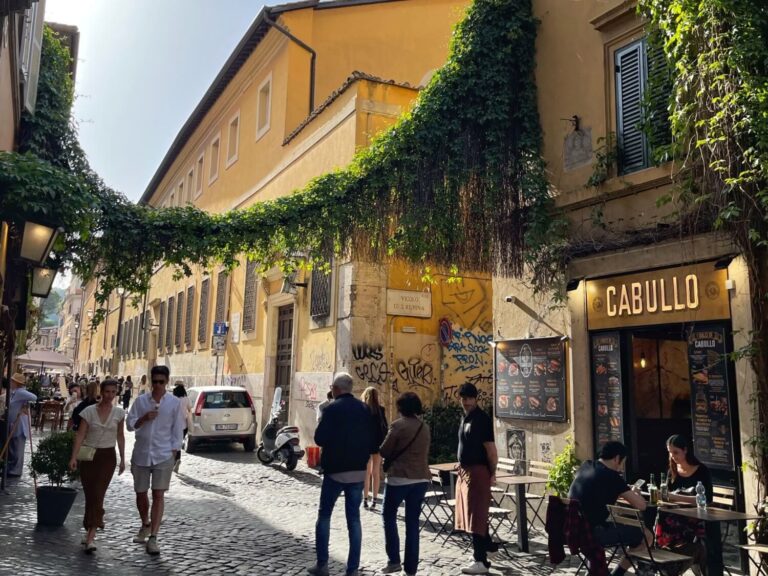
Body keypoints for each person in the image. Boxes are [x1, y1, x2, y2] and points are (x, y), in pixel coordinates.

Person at [308, 372, 371, 576]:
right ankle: (352, 569)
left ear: (336, 389)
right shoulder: (364, 408)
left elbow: (319, 438)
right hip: (359, 472)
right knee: (354, 520)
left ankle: (322, 564)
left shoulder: (332, 409)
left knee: (324, 515)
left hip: (335, 472)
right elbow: (372, 439)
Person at [126, 365, 185, 555]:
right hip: (142, 454)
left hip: (163, 454)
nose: (158, 385)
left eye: (162, 382)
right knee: (140, 493)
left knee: (159, 495)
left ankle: (153, 537)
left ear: (167, 382)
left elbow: (178, 429)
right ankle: (145, 523)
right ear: (151, 381)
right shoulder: (141, 401)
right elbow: (129, 425)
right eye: (155, 382)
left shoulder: (174, 403)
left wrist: (174, 452)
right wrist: (143, 418)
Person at [568, 441, 651, 576]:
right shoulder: (612, 476)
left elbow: (594, 491)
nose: (622, 467)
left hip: (573, 528)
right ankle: (618, 573)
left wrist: (621, 490)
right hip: (592, 533)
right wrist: (634, 492)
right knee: (647, 536)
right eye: (623, 462)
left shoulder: (586, 465)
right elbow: (641, 505)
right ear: (617, 458)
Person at [68, 378, 126, 553]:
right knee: (90, 494)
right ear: (101, 392)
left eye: (113, 392)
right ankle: (89, 529)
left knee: (99, 494)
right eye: (107, 392)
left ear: (116, 394)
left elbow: (120, 436)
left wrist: (123, 459)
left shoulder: (119, 413)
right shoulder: (89, 411)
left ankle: (91, 535)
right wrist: (74, 457)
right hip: (89, 456)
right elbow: (80, 435)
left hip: (107, 457)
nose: (110, 396)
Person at [379, 392, 431, 576]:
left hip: (400, 478)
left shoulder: (398, 426)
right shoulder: (424, 427)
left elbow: (384, 451)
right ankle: (411, 568)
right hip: (421, 478)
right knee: (412, 523)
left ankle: (394, 560)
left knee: (388, 516)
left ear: (401, 408)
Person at [454, 383, 498, 575]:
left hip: (478, 471)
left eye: (470, 398)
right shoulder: (465, 417)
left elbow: (491, 450)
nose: (466, 402)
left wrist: (492, 472)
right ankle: (488, 547)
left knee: (476, 517)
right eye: (463, 398)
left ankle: (480, 560)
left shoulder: (482, 419)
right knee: (472, 514)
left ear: (476, 399)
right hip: (465, 471)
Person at [655, 434, 716, 574]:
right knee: (661, 513)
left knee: (668, 519)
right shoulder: (673, 471)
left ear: (685, 450)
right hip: (676, 514)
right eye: (670, 452)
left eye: (676, 452)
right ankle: (664, 554)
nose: (672, 456)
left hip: (695, 516)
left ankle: (672, 562)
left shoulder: (701, 471)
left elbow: (707, 500)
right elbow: (667, 496)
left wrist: (674, 497)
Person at [6, 373, 37, 477]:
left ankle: (16, 470)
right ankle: (12, 468)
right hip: (13, 422)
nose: (10, 382)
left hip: (19, 423)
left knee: (18, 447)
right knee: (13, 447)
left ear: (16, 383)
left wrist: (25, 404)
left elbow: (34, 397)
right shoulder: (13, 392)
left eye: (12, 381)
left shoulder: (20, 392)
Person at [361, 386, 388, 510]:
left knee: (366, 473)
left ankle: (365, 499)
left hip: (365, 445)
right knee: (375, 472)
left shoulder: (363, 409)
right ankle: (375, 500)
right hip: (378, 444)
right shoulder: (381, 410)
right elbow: (385, 428)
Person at [171, 381, 189, 473]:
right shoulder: (186, 399)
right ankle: (177, 460)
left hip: (174, 424)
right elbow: (190, 409)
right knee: (178, 442)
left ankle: (175, 460)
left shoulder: (173, 399)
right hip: (184, 425)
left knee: (174, 443)